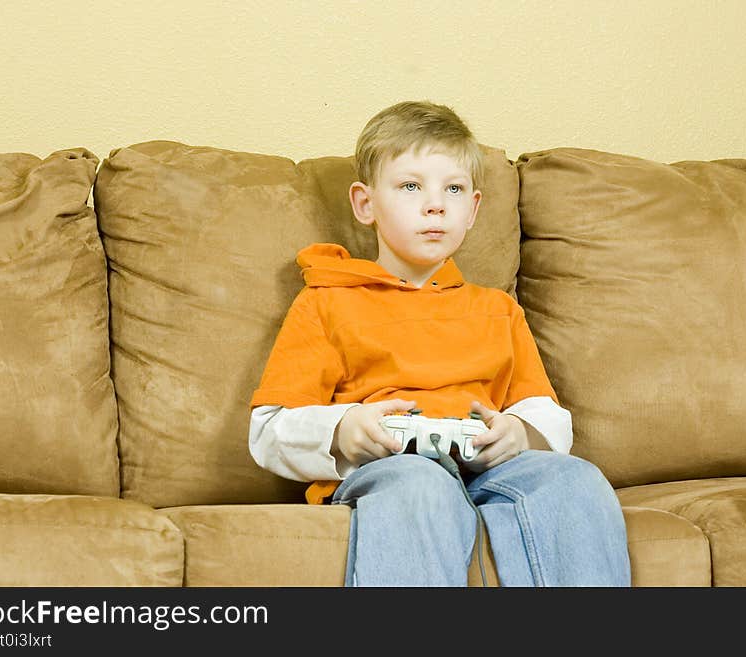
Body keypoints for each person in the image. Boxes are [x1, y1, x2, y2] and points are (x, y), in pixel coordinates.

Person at [249, 100, 630, 586]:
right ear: (365, 204)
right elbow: (269, 429)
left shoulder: (497, 310)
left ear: (472, 209)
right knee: (421, 485)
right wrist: (344, 429)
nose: (435, 204)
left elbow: (541, 410)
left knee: (575, 481)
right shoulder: (326, 301)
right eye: (411, 186)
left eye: (453, 188)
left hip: (490, 472)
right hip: (394, 470)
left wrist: (520, 433)